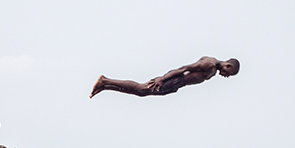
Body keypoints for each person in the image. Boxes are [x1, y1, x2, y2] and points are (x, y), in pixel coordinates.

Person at [90, 56, 240, 98]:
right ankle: (105, 81)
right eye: (229, 73)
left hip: (177, 84)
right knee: (141, 89)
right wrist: (163, 78)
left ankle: (105, 86)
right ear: (228, 66)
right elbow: (184, 68)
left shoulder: (213, 67)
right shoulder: (210, 64)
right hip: (175, 80)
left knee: (141, 92)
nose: (226, 76)